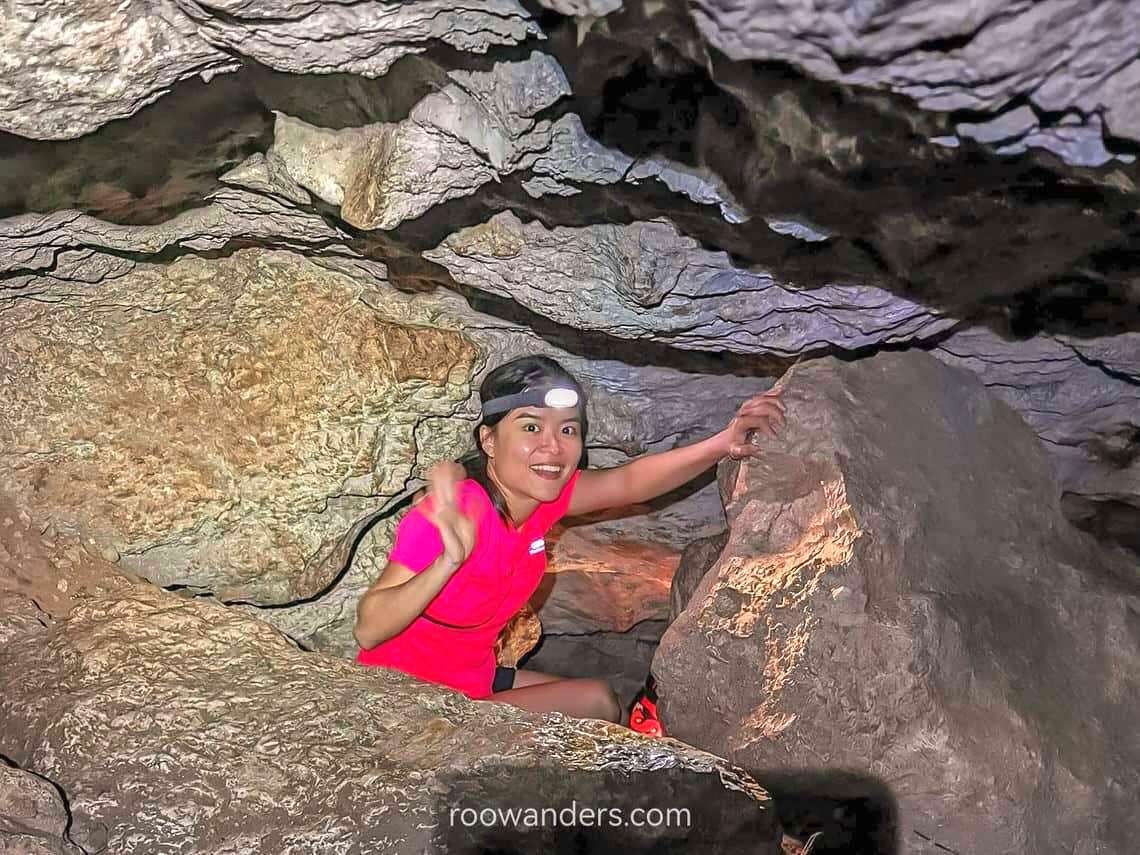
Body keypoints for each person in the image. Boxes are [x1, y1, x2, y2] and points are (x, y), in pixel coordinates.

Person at [354, 355, 785, 726]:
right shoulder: (460, 511)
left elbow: (628, 483)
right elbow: (369, 630)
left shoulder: (541, 501)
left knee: (605, 701)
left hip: (472, 676)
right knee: (596, 704)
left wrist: (724, 443)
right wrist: (448, 561)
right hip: (412, 700)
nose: (553, 447)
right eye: (530, 428)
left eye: (567, 431)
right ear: (489, 440)